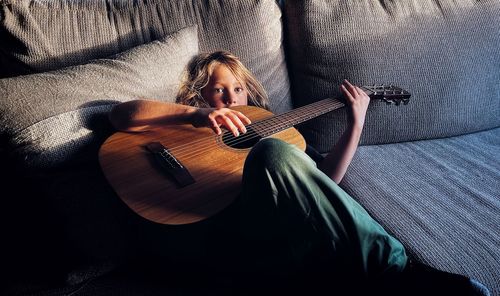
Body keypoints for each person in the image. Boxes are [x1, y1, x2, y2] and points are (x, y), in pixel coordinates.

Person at [108, 51, 489, 295]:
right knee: (273, 151)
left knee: (273, 151)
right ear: (200, 94)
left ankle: (389, 276)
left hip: (276, 247)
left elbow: (325, 186)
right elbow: (120, 115)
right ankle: (402, 274)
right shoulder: (183, 123)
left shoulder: (276, 131)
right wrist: (197, 115)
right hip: (215, 242)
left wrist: (355, 123)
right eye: (218, 90)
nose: (229, 97)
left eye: (237, 89)